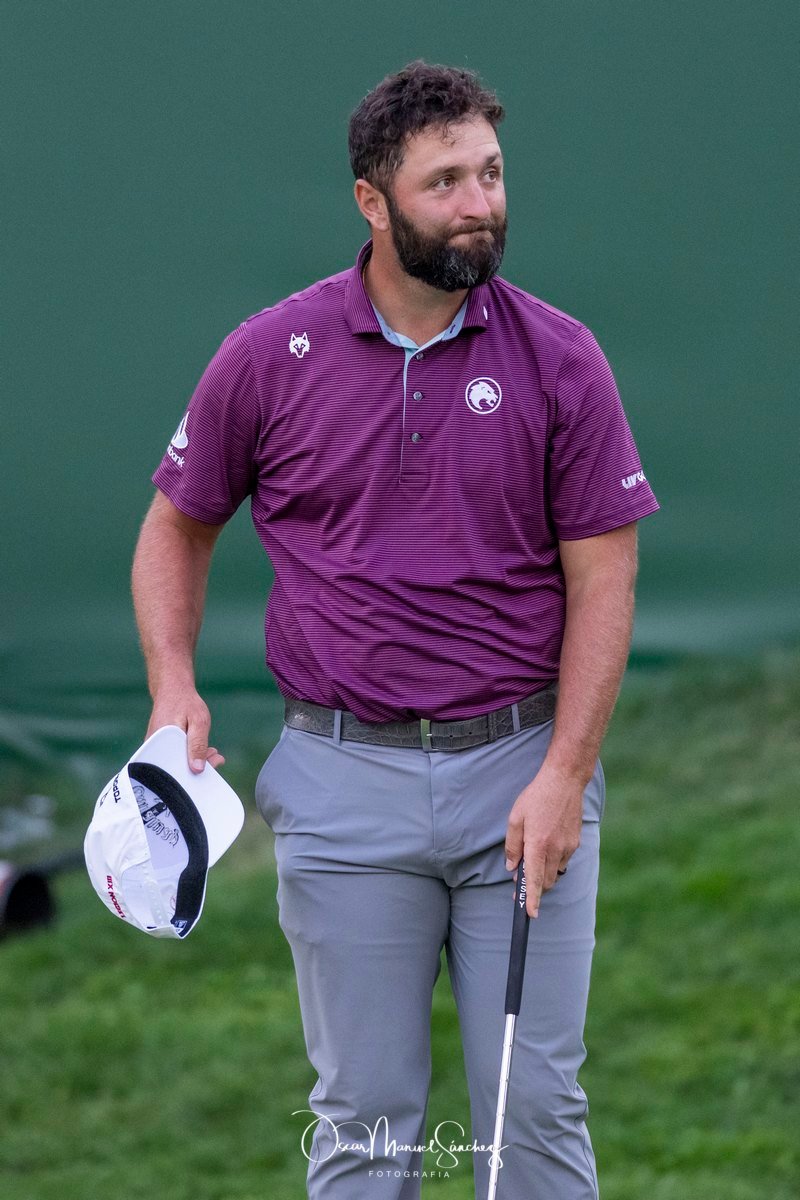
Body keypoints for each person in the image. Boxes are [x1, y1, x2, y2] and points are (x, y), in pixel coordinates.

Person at [132, 60, 659, 1200]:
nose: (480, 204)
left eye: (490, 174)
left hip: (522, 775)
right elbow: (176, 525)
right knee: (364, 1123)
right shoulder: (270, 354)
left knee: (532, 1116)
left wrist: (566, 774)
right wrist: (173, 683)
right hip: (341, 785)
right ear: (372, 203)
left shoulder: (560, 358)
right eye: (444, 182)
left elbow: (605, 580)